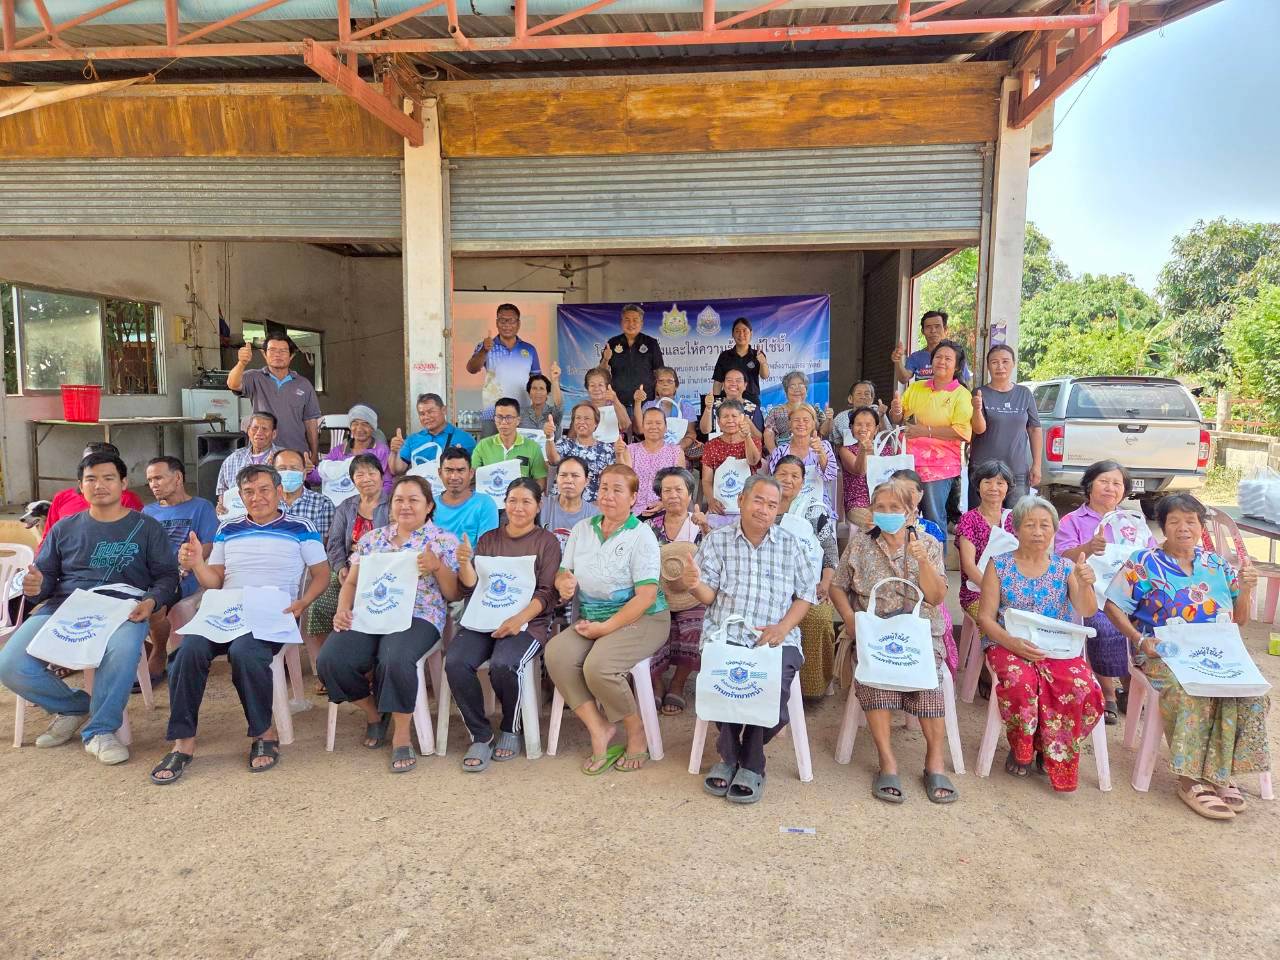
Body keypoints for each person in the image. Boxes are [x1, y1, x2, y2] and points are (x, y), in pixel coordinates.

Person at [150, 464, 330, 784]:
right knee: (187, 653)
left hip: (272, 612)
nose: (256, 497)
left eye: (264, 490)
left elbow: (322, 574)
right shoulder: (228, 528)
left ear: (279, 492)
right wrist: (198, 564)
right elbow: (215, 581)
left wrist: (303, 602)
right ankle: (183, 742)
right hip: (227, 611)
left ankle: (264, 733)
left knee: (246, 652)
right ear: (240, 496)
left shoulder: (301, 527)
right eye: (249, 492)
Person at [0, 451, 178, 766]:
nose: (99, 485)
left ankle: (101, 730)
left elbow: (167, 576)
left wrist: (151, 601)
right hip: (66, 605)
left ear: (123, 483)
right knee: (10, 663)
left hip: (125, 607)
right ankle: (73, 706)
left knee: (123, 648)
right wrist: (36, 587)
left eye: (108, 478)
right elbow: (45, 578)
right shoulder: (64, 528)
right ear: (80, 486)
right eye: (91, 479)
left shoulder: (147, 527)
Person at [1104, 494, 1268, 820]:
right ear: (1163, 526)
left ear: (1201, 526)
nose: (1183, 528)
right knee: (1188, 692)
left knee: (1250, 692)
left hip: (1216, 652)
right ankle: (1190, 780)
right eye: (1175, 521)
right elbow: (1112, 606)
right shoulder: (1143, 562)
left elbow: (1239, 620)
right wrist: (1140, 639)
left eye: (1191, 521)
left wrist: (1247, 589)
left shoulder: (1217, 565)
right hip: (1163, 652)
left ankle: (1220, 772)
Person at [676, 474, 815, 804]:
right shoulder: (717, 541)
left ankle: (738, 759)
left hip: (775, 638)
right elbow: (709, 596)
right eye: (758, 500)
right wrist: (693, 585)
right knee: (721, 684)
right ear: (741, 501)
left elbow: (806, 595)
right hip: (726, 634)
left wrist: (782, 627)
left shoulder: (789, 544)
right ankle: (741, 760)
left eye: (772, 504)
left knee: (772, 690)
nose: (764, 509)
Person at [828, 480, 958, 804]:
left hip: (920, 633)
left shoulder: (928, 544)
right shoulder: (860, 544)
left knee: (928, 682)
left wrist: (923, 561)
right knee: (875, 681)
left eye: (895, 508)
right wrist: (850, 619)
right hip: (874, 633)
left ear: (911, 512)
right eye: (881, 507)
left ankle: (934, 762)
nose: (887, 513)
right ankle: (887, 762)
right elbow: (837, 587)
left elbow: (936, 596)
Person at [322, 475, 460, 773]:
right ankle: (374, 712)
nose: (405, 506)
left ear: (429, 506)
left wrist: (437, 567)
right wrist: (343, 609)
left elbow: (453, 594)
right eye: (399, 500)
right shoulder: (372, 540)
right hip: (371, 613)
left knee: (395, 657)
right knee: (332, 659)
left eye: (413, 500)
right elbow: (351, 582)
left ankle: (401, 734)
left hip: (418, 616)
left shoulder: (443, 540)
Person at [548, 464, 670, 775]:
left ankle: (635, 729)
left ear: (633, 498)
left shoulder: (641, 535)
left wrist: (605, 628)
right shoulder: (582, 529)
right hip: (593, 616)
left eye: (617, 490)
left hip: (643, 618)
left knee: (599, 667)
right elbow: (564, 572)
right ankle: (599, 728)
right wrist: (564, 583)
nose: (608, 495)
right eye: (604, 488)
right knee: (557, 654)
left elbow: (645, 597)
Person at [977, 495, 1104, 791]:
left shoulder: (1065, 568)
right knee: (1020, 682)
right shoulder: (999, 565)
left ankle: (1050, 747)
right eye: (1029, 525)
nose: (1037, 532)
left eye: (1044, 525)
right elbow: (985, 618)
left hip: (1056, 647)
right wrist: (1012, 643)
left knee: (1083, 686)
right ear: (1016, 529)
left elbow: (1086, 610)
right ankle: (1022, 748)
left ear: (1054, 530)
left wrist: (1086, 584)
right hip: (1008, 643)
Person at [447, 478, 561, 771]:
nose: (518, 508)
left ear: (538, 506)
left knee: (504, 664)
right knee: (455, 661)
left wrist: (517, 620)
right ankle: (481, 734)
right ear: (505, 503)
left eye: (526, 502)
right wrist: (465, 564)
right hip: (483, 617)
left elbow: (547, 593)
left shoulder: (546, 542)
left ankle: (511, 727)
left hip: (528, 622)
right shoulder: (489, 539)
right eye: (512, 501)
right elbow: (473, 587)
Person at [1055, 459, 1157, 722]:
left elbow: (1152, 556)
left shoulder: (1133, 521)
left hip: (1130, 595)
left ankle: (1131, 688)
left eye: (1117, 483)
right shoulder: (1072, 520)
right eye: (1104, 481)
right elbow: (1061, 558)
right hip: (1088, 594)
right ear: (1089, 486)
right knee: (1103, 624)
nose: (1110, 488)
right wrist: (1088, 547)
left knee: (1152, 624)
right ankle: (1109, 692)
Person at [309, 454, 391, 682]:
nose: (366, 479)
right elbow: (334, 543)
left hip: (383, 574)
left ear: (381, 476)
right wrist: (340, 568)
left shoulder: (393, 504)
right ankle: (331, 666)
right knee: (320, 606)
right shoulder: (346, 507)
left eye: (372, 473)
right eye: (360, 474)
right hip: (348, 572)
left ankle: (371, 668)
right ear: (353, 480)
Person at [888, 339, 973, 545]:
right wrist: (896, 411)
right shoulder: (916, 387)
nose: (941, 361)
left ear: (957, 366)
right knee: (903, 517)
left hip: (938, 468)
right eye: (938, 357)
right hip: (908, 463)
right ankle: (907, 561)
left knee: (933, 519)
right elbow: (898, 419)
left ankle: (936, 564)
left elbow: (962, 432)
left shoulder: (961, 394)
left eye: (948, 358)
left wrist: (925, 431)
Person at [141, 456, 219, 682]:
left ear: (177, 478)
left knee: (154, 602)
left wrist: (190, 561)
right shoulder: (148, 511)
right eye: (150, 480)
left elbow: (208, 545)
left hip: (184, 575)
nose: (153, 484)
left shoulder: (201, 507)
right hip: (150, 573)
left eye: (158, 478)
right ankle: (142, 648)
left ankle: (159, 651)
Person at [773, 454, 838, 700]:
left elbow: (830, 551)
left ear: (802, 482)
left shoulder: (812, 510)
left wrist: (826, 583)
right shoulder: (763, 507)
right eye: (782, 474)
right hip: (769, 586)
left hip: (807, 588)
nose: (788, 480)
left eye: (795, 476)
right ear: (773, 476)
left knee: (818, 618)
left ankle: (813, 688)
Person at [647, 467, 709, 716]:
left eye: (678, 490)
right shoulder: (649, 525)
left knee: (697, 624)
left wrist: (706, 529)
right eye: (667, 491)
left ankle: (678, 682)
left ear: (690, 494)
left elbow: (715, 559)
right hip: (656, 591)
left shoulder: (699, 524)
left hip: (691, 594)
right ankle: (656, 682)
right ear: (660, 495)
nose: (673, 495)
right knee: (648, 622)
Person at [228, 332, 321, 463]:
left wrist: (314, 453)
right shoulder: (254, 377)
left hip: (296, 454)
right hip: (263, 455)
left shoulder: (304, 384)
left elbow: (310, 421)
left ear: (291, 356)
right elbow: (232, 384)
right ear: (264, 354)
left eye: (283, 351)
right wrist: (241, 363)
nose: (277, 354)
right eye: (272, 350)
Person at [969, 345, 1042, 504]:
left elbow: (1034, 429)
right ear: (988, 366)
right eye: (994, 362)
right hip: (984, 471)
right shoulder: (979, 393)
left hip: (1016, 470)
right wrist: (976, 409)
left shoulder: (1024, 393)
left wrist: (1037, 465)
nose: (1000, 366)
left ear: (1013, 364)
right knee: (981, 517)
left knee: (1015, 516)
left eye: (1005, 361)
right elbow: (977, 429)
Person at [464, 302, 542, 438]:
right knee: (490, 449)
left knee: (521, 449)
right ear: (496, 323)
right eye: (502, 320)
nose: (506, 325)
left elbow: (537, 381)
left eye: (511, 320)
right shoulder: (486, 346)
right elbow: (471, 368)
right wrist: (484, 350)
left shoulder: (529, 349)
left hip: (522, 412)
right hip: (492, 412)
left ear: (518, 324)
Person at [42, 442, 144, 541]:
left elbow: (135, 538)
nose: (99, 485)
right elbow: (48, 538)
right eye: (90, 464)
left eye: (107, 477)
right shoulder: (62, 497)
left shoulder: (127, 499)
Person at [956, 459, 1016, 627]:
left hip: (1012, 591)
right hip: (977, 592)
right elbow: (969, 566)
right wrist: (995, 592)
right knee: (999, 625)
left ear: (1008, 487)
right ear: (978, 486)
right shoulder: (968, 519)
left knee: (1028, 621)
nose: (993, 488)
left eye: (1000, 483)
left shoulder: (1014, 519)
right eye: (987, 482)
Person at [764, 404, 837, 517]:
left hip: (818, 506)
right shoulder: (780, 452)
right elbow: (774, 484)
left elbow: (831, 476)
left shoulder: (824, 446)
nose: (801, 423)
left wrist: (820, 452)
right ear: (789, 424)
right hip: (787, 508)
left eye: (806, 420)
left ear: (813, 424)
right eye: (796, 420)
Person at [700, 399, 763, 528]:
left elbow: (753, 461)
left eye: (734, 416)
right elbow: (706, 480)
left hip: (747, 504)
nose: (730, 420)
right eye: (725, 417)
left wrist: (747, 436)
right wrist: (711, 501)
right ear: (718, 422)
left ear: (742, 418)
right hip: (721, 506)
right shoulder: (711, 445)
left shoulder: (754, 441)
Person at [617, 406, 685, 516]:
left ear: (666, 427)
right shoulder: (631, 450)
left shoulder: (676, 452)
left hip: (666, 510)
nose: (653, 427)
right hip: (633, 510)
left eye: (658, 423)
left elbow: (681, 485)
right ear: (642, 426)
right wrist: (619, 454)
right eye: (649, 423)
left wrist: (663, 503)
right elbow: (624, 479)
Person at [309, 403, 392, 494]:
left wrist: (374, 500)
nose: (359, 429)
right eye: (355, 423)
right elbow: (320, 475)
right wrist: (308, 471)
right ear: (350, 427)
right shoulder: (339, 451)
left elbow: (387, 483)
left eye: (365, 424)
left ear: (373, 428)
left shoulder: (381, 451)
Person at [544, 402, 616, 502]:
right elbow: (554, 460)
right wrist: (550, 438)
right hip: (562, 502)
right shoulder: (565, 443)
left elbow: (611, 480)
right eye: (578, 418)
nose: (582, 422)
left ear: (596, 423)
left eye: (587, 418)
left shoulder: (607, 449)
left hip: (592, 505)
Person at [390, 392, 476, 474]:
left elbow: (472, 472)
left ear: (444, 410)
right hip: (419, 483)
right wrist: (394, 452)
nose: (426, 417)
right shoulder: (412, 439)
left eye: (430, 412)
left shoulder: (464, 438)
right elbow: (397, 470)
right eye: (422, 414)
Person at [471, 398, 549, 486]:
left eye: (509, 417)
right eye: (499, 417)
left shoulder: (533, 447)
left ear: (518, 420)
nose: (504, 422)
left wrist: (529, 494)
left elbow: (541, 479)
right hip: (490, 494)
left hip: (521, 494)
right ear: (494, 419)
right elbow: (472, 475)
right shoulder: (483, 445)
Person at [433, 447, 501, 546]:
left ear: (471, 473)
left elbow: (487, 548)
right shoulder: (429, 505)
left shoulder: (485, 503)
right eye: (449, 470)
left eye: (461, 470)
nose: (454, 477)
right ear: (440, 473)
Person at [600, 303, 664, 405]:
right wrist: (606, 359)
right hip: (618, 402)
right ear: (621, 322)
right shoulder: (612, 343)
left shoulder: (651, 343)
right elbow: (602, 373)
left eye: (635, 320)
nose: (631, 324)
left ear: (641, 323)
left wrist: (659, 395)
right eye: (627, 320)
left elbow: (659, 372)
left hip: (646, 401)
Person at [216, 411, 282, 502]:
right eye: (255, 428)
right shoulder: (233, 459)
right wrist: (221, 505)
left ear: (273, 434)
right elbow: (222, 492)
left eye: (264, 429)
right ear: (248, 431)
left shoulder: (283, 458)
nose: (259, 432)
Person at [892, 310, 972, 385]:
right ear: (923, 331)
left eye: (937, 326)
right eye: (928, 327)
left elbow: (966, 384)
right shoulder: (916, 357)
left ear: (945, 329)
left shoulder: (956, 355)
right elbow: (904, 379)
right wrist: (898, 361)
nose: (933, 330)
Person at [633, 367, 698, 454]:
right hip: (652, 452)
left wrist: (677, 449)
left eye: (669, 381)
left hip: (678, 452)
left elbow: (691, 433)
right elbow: (640, 430)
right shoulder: (649, 406)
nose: (665, 384)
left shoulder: (685, 406)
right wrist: (637, 402)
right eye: (660, 381)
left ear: (676, 386)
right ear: (656, 386)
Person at [541, 456, 600, 550]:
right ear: (556, 478)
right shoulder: (541, 506)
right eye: (563, 475)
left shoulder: (595, 516)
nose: (568, 480)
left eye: (575, 475)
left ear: (586, 481)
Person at [837, 406, 881, 527]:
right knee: (875, 524)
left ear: (876, 429)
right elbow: (859, 471)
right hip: (858, 503)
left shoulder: (886, 450)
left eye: (868, 425)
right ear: (851, 428)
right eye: (858, 424)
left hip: (884, 501)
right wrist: (863, 450)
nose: (863, 428)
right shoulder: (845, 450)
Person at [763, 371, 829, 452]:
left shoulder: (815, 410)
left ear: (806, 390)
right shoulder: (776, 411)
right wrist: (776, 455)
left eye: (801, 385)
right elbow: (768, 434)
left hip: (811, 452)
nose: (797, 389)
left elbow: (824, 432)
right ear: (786, 391)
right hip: (784, 454)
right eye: (792, 386)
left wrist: (829, 419)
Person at [711, 316, 770, 404]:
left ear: (751, 333)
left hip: (751, 401)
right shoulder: (725, 355)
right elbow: (718, 382)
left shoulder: (757, 354)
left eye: (744, 331)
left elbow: (764, 376)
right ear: (732, 334)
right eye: (737, 331)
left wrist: (763, 363)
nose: (741, 334)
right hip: (729, 401)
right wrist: (716, 403)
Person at [699, 368, 764, 440]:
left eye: (738, 380)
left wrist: (748, 422)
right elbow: (704, 431)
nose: (733, 384)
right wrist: (708, 408)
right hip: (715, 446)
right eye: (729, 380)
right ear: (723, 384)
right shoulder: (712, 404)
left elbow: (760, 438)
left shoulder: (753, 408)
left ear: (745, 385)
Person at [583, 365, 632, 436]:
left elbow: (626, 427)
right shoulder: (583, 407)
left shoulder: (616, 406)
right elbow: (573, 436)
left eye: (600, 385)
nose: (596, 388)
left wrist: (615, 400)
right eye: (592, 385)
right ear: (587, 388)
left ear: (607, 387)